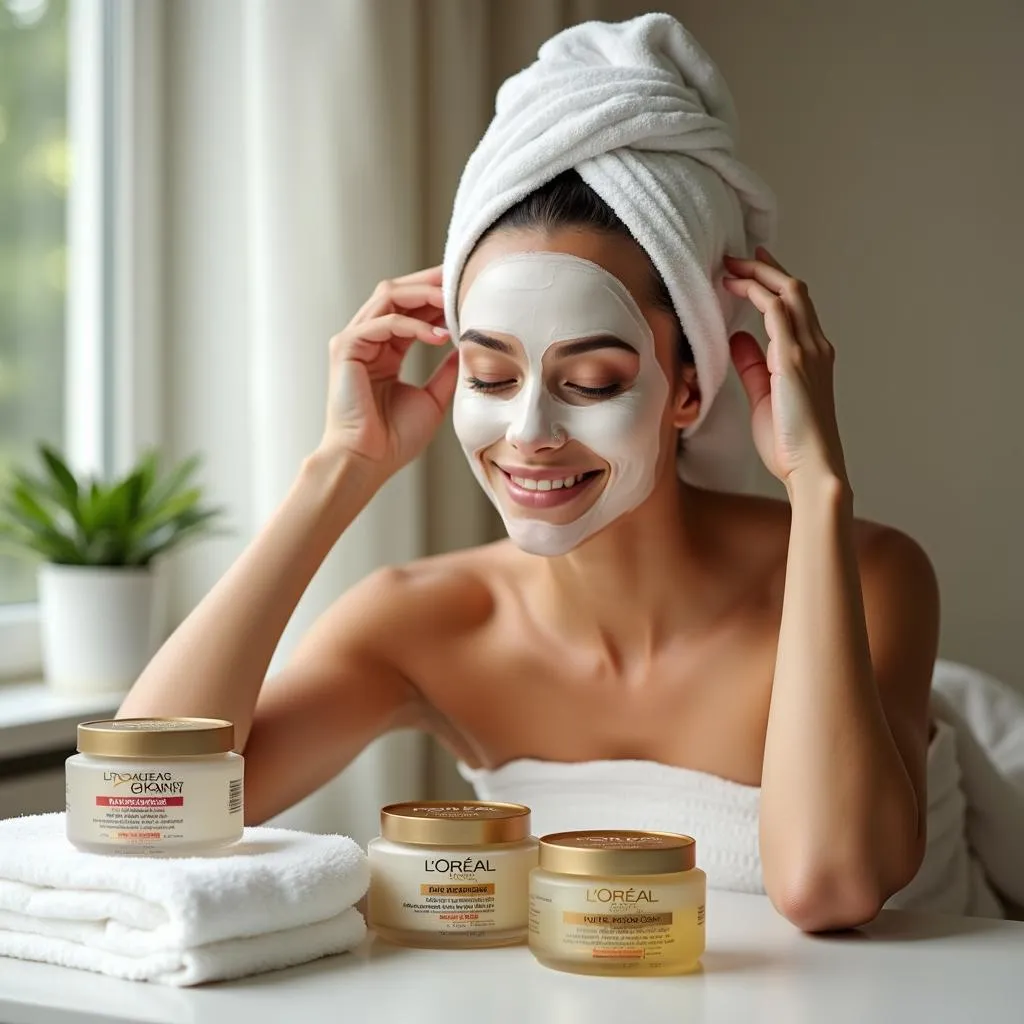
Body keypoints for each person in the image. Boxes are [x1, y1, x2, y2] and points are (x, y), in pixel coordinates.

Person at [118, 21, 939, 934]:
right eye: (491, 376)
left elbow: (831, 885)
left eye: (592, 382)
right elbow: (143, 810)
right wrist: (338, 471)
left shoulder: (867, 575)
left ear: (691, 386)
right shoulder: (426, 624)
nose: (529, 433)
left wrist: (817, 483)